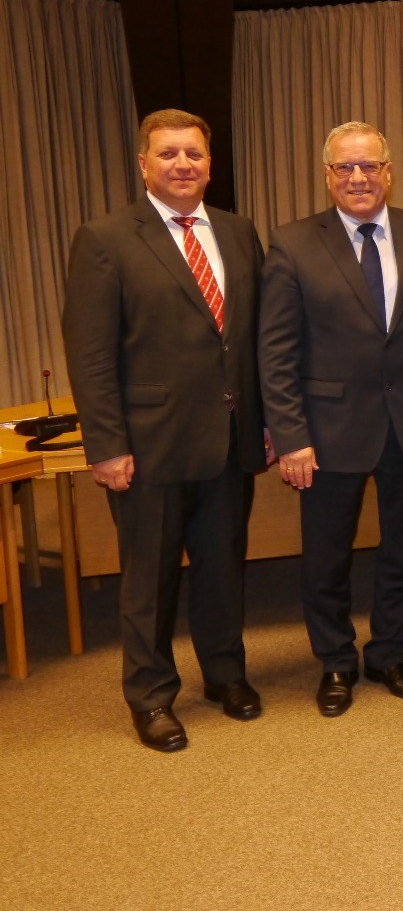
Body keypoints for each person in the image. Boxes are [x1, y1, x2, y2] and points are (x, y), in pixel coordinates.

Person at [62, 108, 269, 752]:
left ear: (210, 165)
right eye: (169, 153)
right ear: (143, 164)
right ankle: (150, 695)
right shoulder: (105, 239)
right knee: (149, 579)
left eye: (194, 154)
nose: (183, 164)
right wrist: (107, 445)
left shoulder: (237, 231)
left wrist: (264, 422)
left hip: (229, 438)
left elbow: (252, 339)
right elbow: (91, 353)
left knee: (222, 568)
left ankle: (225, 675)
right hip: (148, 445)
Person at [259, 121, 403, 717]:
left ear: (388, 172)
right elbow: (276, 352)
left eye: (369, 166)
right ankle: (335, 661)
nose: (358, 178)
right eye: (345, 167)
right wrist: (290, 435)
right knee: (327, 555)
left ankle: (390, 654)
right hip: (327, 429)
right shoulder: (293, 243)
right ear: (328, 176)